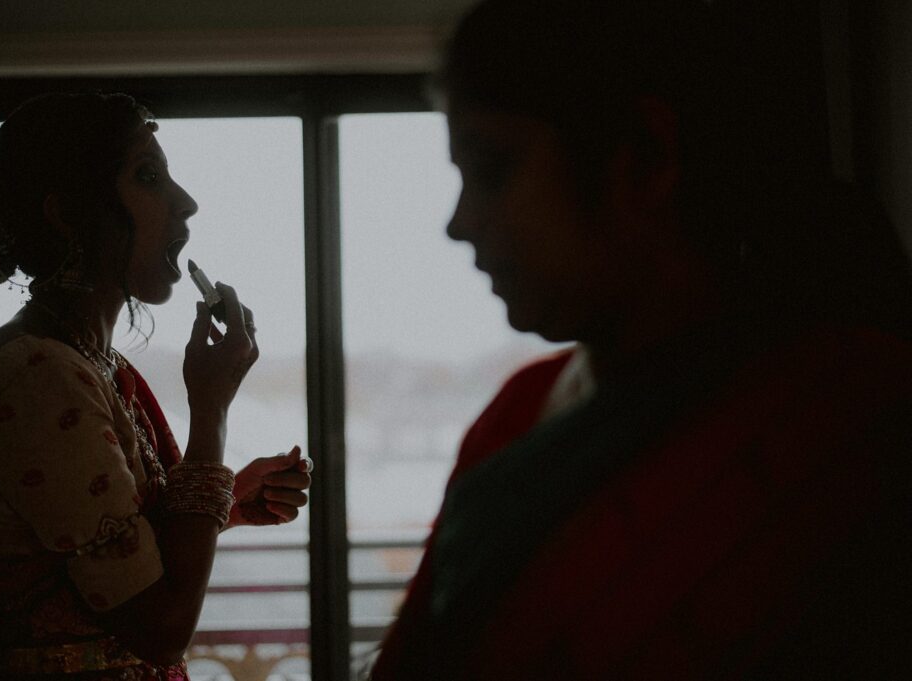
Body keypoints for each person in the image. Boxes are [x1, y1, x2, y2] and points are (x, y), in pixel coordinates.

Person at [371, 1, 912, 678]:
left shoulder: (852, 424)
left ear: (649, 155)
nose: (459, 223)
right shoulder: (517, 411)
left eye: (492, 166)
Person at [0, 92, 312, 680]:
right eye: (148, 175)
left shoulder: (88, 362)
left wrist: (224, 503)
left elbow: (101, 556)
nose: (186, 203)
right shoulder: (36, 375)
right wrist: (210, 412)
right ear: (68, 213)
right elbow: (160, 629)